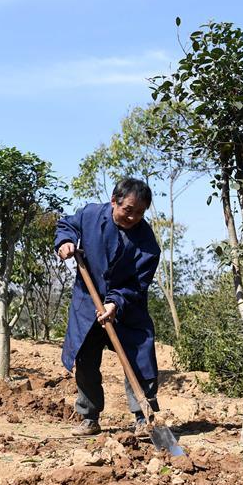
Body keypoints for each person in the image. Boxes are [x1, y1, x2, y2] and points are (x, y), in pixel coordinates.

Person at [55, 177, 161, 437]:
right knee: (87, 360)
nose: (133, 217)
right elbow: (66, 224)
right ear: (114, 201)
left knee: (140, 358)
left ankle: (143, 418)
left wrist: (115, 302)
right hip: (87, 304)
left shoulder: (146, 241)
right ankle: (89, 417)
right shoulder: (91, 214)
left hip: (126, 309)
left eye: (140, 213)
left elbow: (138, 283)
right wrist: (65, 242)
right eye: (128, 210)